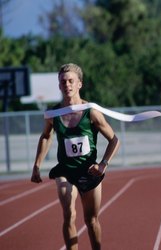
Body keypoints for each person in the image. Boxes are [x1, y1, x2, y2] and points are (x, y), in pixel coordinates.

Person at [31, 63, 120, 250]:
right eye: (63, 82)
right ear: (59, 86)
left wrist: (103, 164)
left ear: (79, 84)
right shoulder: (53, 114)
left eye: (71, 81)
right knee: (68, 215)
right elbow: (46, 136)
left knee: (91, 220)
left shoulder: (91, 111)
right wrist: (37, 165)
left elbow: (114, 140)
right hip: (65, 170)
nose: (67, 85)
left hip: (90, 171)